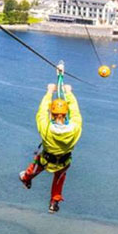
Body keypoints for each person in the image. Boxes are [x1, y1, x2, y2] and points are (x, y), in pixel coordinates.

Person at [19, 73, 83, 213]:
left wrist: (49, 92)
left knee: (36, 165)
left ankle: (26, 178)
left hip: (46, 160)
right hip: (63, 161)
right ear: (66, 114)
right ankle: (54, 202)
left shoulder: (46, 128)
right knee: (59, 179)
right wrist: (69, 93)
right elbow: (76, 112)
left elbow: (42, 112)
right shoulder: (75, 128)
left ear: (52, 114)